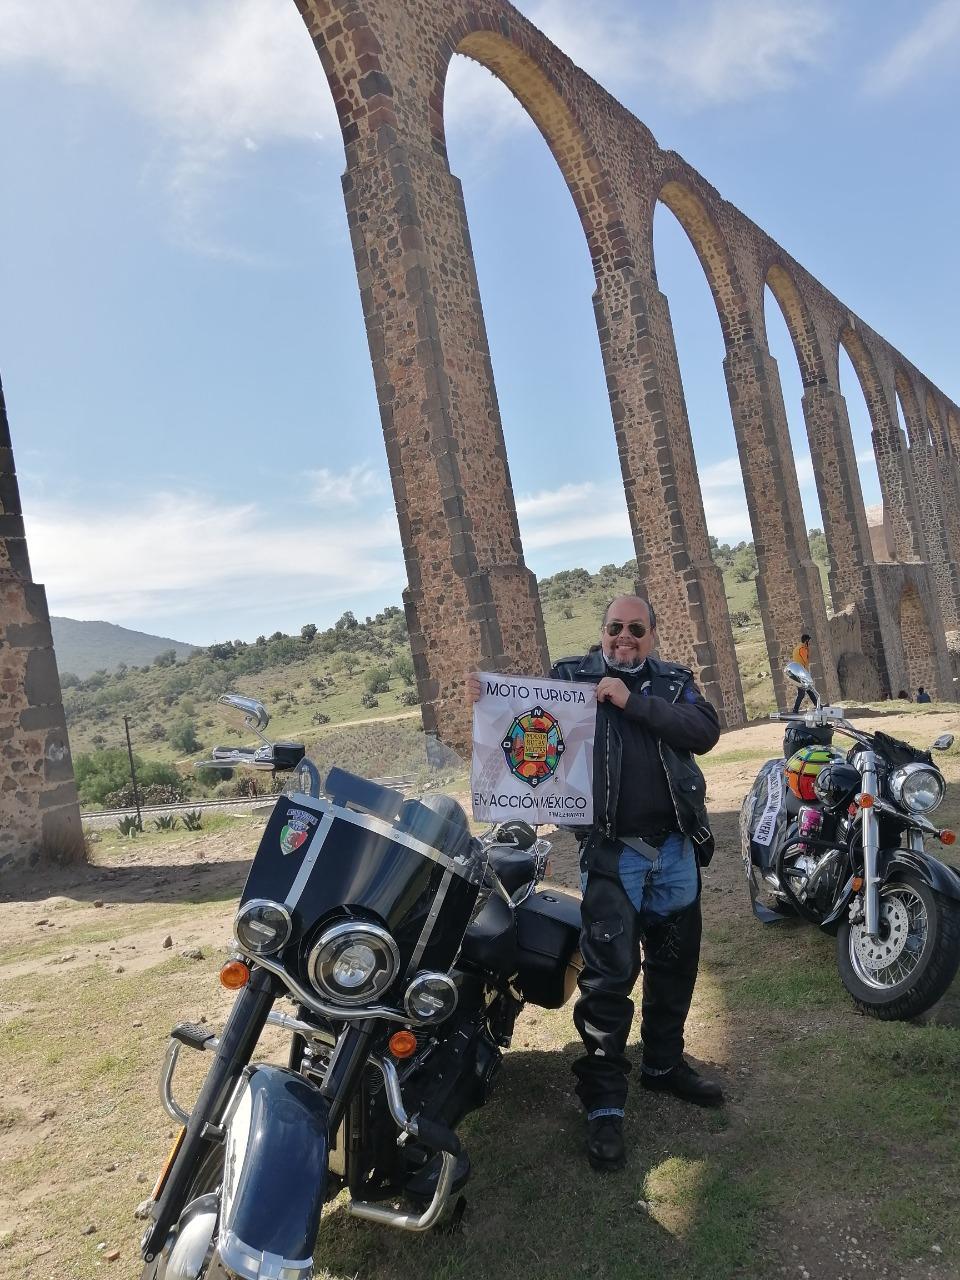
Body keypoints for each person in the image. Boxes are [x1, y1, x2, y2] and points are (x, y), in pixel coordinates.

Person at [467, 595, 723, 1172]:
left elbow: (703, 731)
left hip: (675, 847)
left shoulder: (673, 682)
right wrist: (489, 708)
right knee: (609, 975)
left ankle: (662, 1064)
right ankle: (604, 1100)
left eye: (636, 629)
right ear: (600, 633)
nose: (623, 637)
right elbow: (525, 723)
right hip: (612, 852)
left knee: (675, 963)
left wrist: (632, 702)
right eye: (614, 628)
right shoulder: (569, 680)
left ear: (652, 635)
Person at [791, 633, 816, 713]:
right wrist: (808, 650)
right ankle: (795, 710)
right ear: (806, 641)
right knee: (802, 693)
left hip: (798, 673)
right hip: (801, 674)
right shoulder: (802, 649)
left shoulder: (797, 648)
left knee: (809, 690)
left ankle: (818, 705)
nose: (809, 643)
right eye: (809, 641)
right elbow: (806, 660)